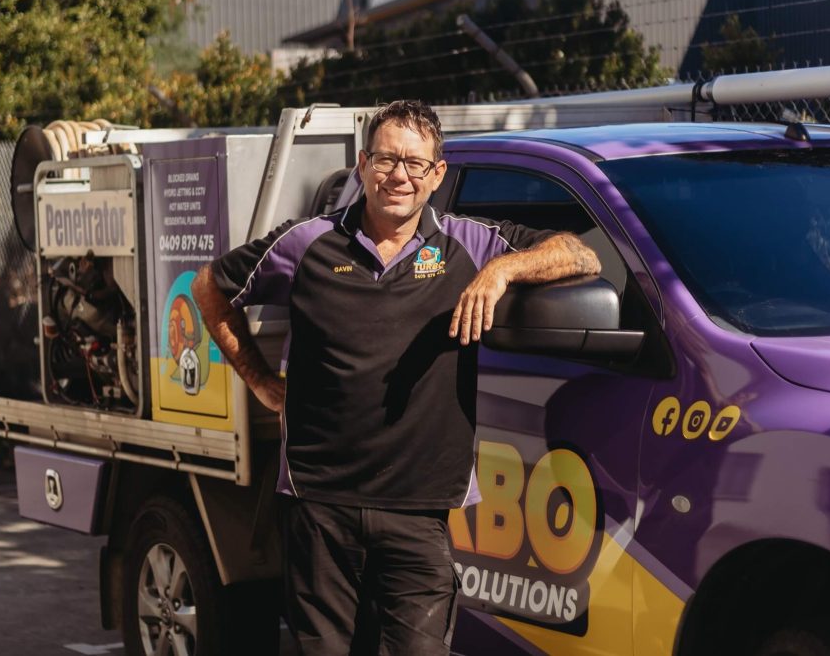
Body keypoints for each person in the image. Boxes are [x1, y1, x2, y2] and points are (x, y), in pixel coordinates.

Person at [192, 99, 600, 655]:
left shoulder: (470, 244)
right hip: (320, 506)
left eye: (414, 163)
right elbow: (209, 288)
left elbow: (580, 255)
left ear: (437, 174)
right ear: (363, 166)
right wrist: (259, 379)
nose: (398, 176)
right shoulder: (307, 243)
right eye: (385, 160)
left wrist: (504, 269)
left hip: (419, 512)